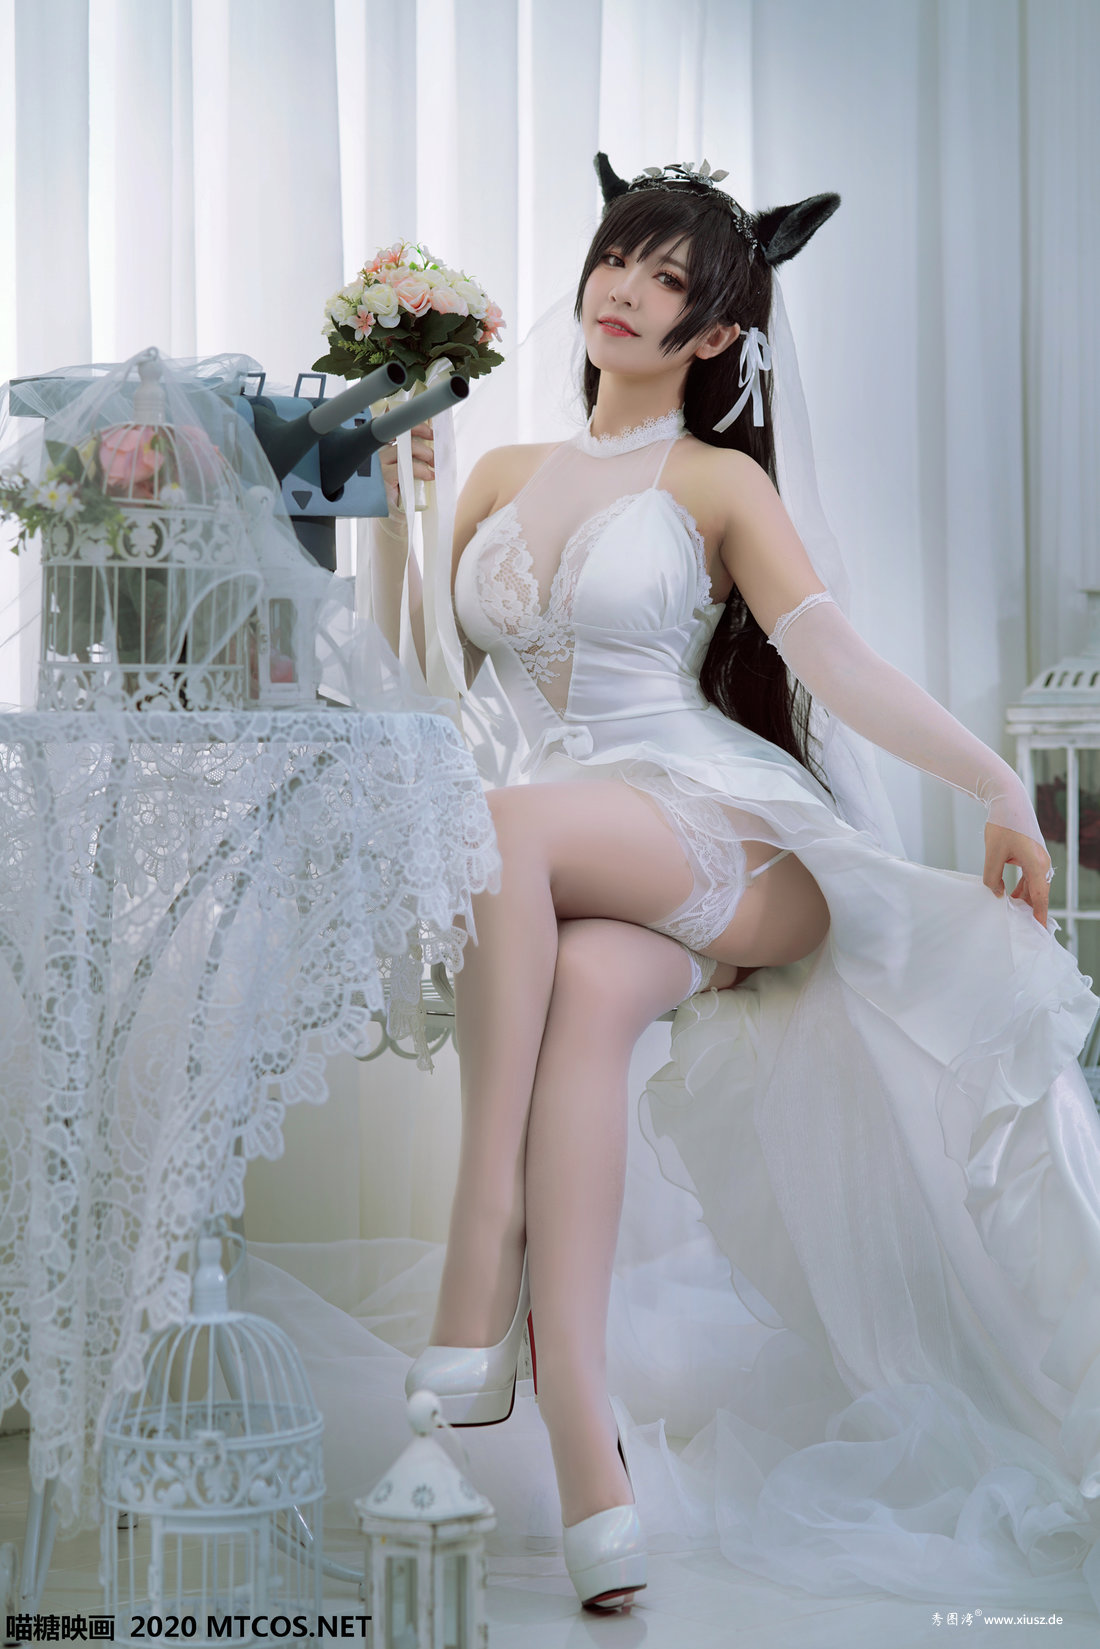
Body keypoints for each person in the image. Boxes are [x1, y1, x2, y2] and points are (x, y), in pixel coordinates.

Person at [373, 154, 1100, 1614]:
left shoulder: (718, 481)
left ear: (715, 331)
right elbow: (428, 683)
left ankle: (482, 1244)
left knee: (505, 830)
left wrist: (995, 783)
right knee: (583, 985)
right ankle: (587, 1448)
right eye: (616, 259)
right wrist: (406, 509)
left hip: (736, 837)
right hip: (570, 855)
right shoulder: (502, 475)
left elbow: (836, 664)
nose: (625, 292)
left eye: (668, 281)